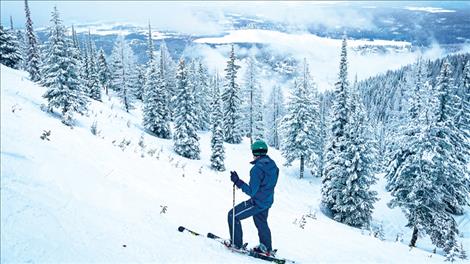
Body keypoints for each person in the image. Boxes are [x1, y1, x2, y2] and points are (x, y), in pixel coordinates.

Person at [228, 139, 279, 255]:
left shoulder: (257, 169)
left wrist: (237, 181)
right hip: (267, 201)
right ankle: (266, 247)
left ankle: (236, 244)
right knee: (261, 221)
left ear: (255, 153)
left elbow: (251, 191)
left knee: (232, 215)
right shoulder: (273, 165)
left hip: (257, 202)